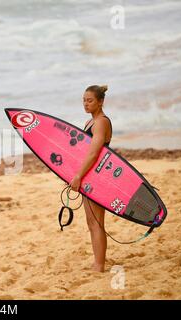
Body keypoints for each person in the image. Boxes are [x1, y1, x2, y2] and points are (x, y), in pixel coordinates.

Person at [69, 84, 112, 273]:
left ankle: (99, 265)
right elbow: (83, 153)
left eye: (90, 100)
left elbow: (94, 153)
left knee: (97, 222)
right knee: (91, 221)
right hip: (90, 175)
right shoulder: (90, 122)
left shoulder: (101, 122)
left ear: (101, 102)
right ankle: (98, 262)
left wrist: (79, 175)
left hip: (98, 176)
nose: (85, 104)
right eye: (84, 100)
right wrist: (75, 174)